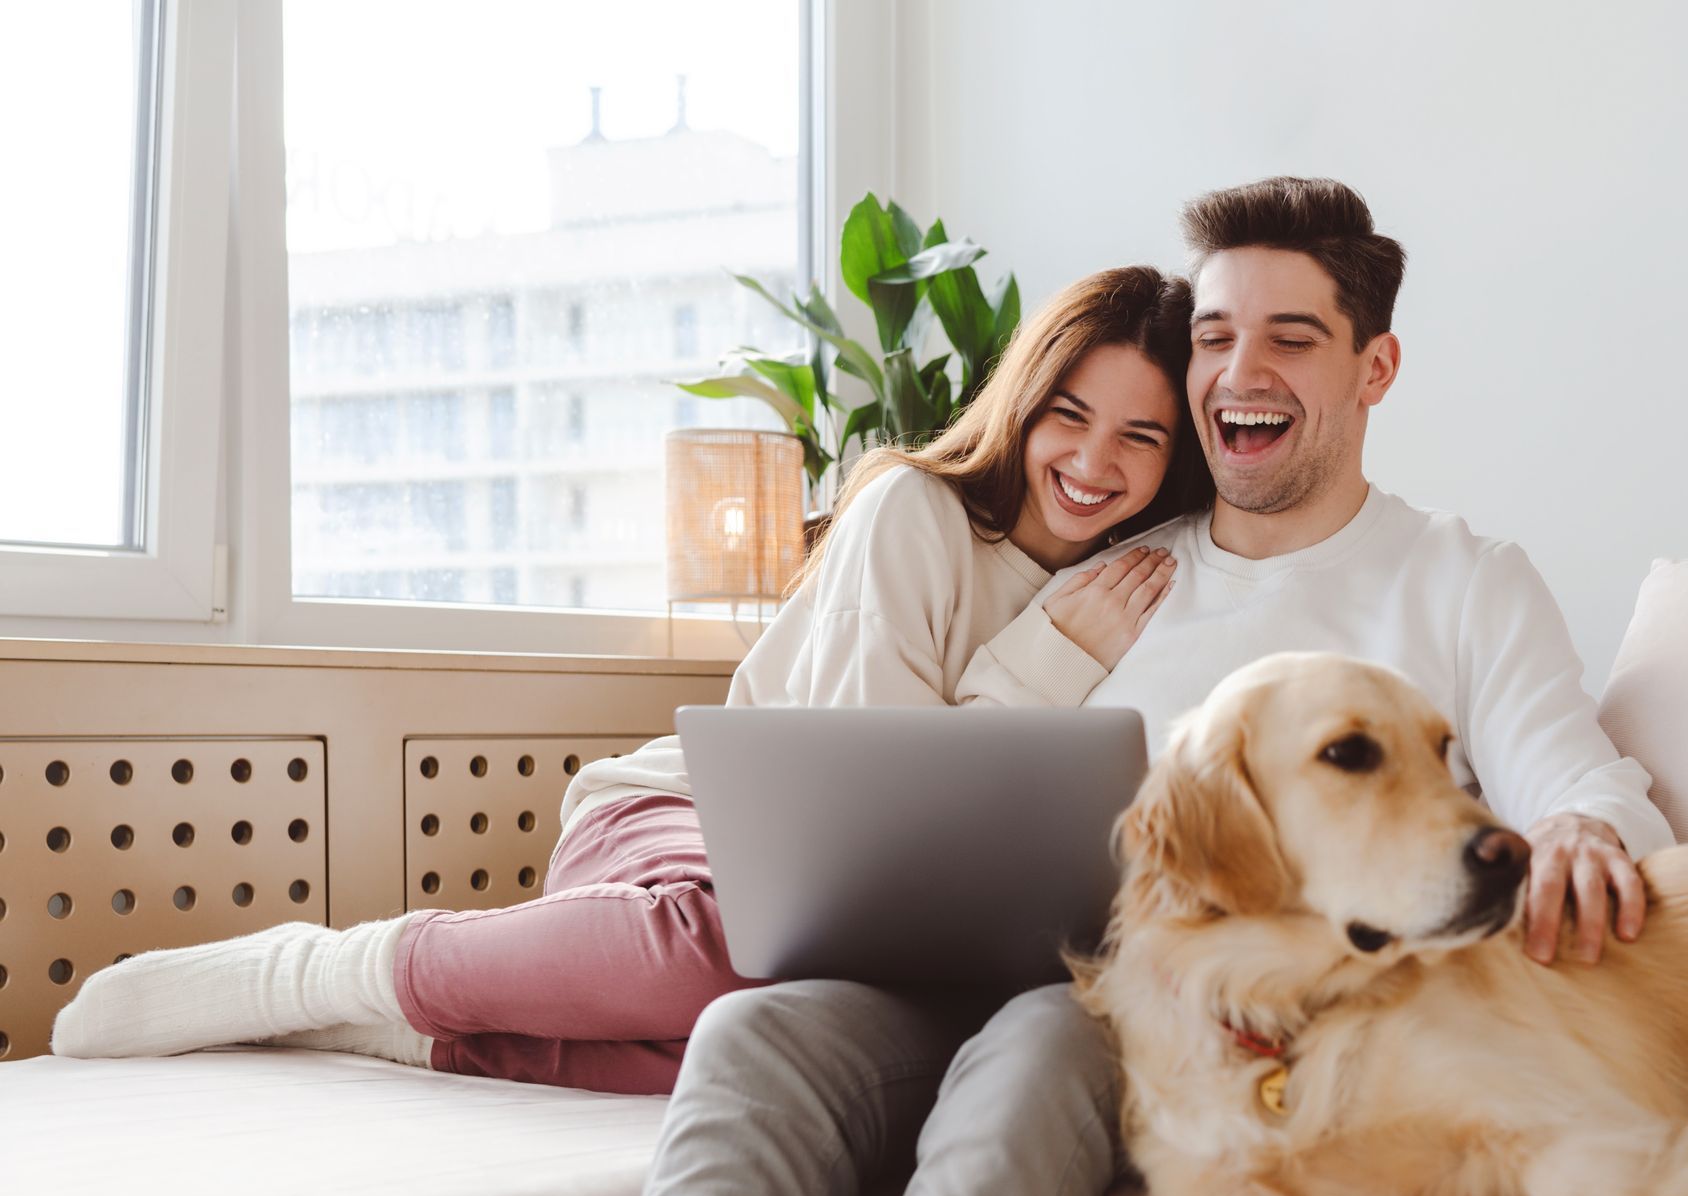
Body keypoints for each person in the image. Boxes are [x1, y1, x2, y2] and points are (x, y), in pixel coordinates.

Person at [623, 177, 1675, 1196]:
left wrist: (1585, 831)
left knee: (1038, 1041)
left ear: (1375, 368)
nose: (1240, 372)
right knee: (754, 1033)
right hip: (991, 971)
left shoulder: (1460, 580)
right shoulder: (1115, 564)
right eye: (1214, 337)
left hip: (1187, 1014)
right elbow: (952, 772)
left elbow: (1586, 787)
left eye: (1291, 338)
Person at [48, 264, 1212, 1095]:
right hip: (682, 826)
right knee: (720, 952)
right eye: (1070, 414)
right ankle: (318, 966)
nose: (1093, 461)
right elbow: (884, 822)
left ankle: (411, 1037)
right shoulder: (919, 513)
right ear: (1024, 403)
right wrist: (1046, 656)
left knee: (763, 1032)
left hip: (838, 915)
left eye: (1141, 439)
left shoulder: (1150, 582)